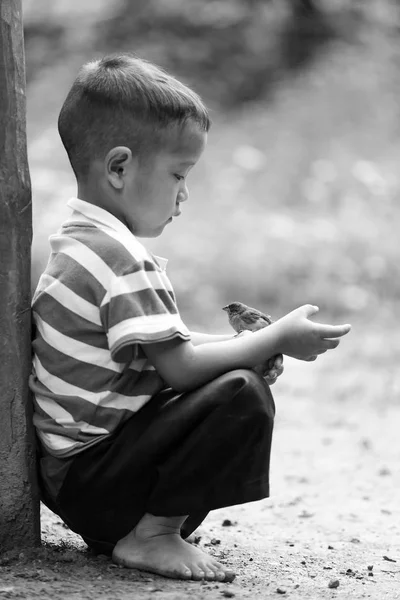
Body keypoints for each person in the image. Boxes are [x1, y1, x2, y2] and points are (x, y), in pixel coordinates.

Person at [30, 53, 351, 583]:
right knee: (241, 393)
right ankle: (151, 535)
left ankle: (147, 529)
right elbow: (179, 368)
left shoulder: (78, 245)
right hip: (96, 482)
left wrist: (258, 343)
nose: (185, 193)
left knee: (230, 376)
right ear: (118, 167)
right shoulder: (123, 260)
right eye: (179, 173)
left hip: (74, 479)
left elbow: (163, 347)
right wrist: (274, 337)